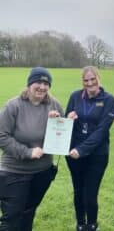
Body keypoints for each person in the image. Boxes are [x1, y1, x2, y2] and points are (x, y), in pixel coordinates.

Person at [0, 67, 64, 231]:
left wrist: (57, 122)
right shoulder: (14, 106)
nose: (42, 87)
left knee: (28, 214)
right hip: (14, 172)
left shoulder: (54, 104)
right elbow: (2, 136)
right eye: (38, 82)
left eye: (46, 83)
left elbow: (62, 135)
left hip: (42, 172)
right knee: (12, 220)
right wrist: (27, 152)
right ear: (29, 84)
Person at [65, 66, 114, 231]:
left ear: (98, 79)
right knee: (78, 192)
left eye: (93, 79)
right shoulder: (75, 96)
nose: (90, 83)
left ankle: (92, 226)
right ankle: (80, 225)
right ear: (83, 82)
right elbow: (66, 125)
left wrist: (82, 150)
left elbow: (102, 131)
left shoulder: (108, 100)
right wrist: (69, 119)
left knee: (90, 195)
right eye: (86, 80)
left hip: (97, 155)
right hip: (73, 155)